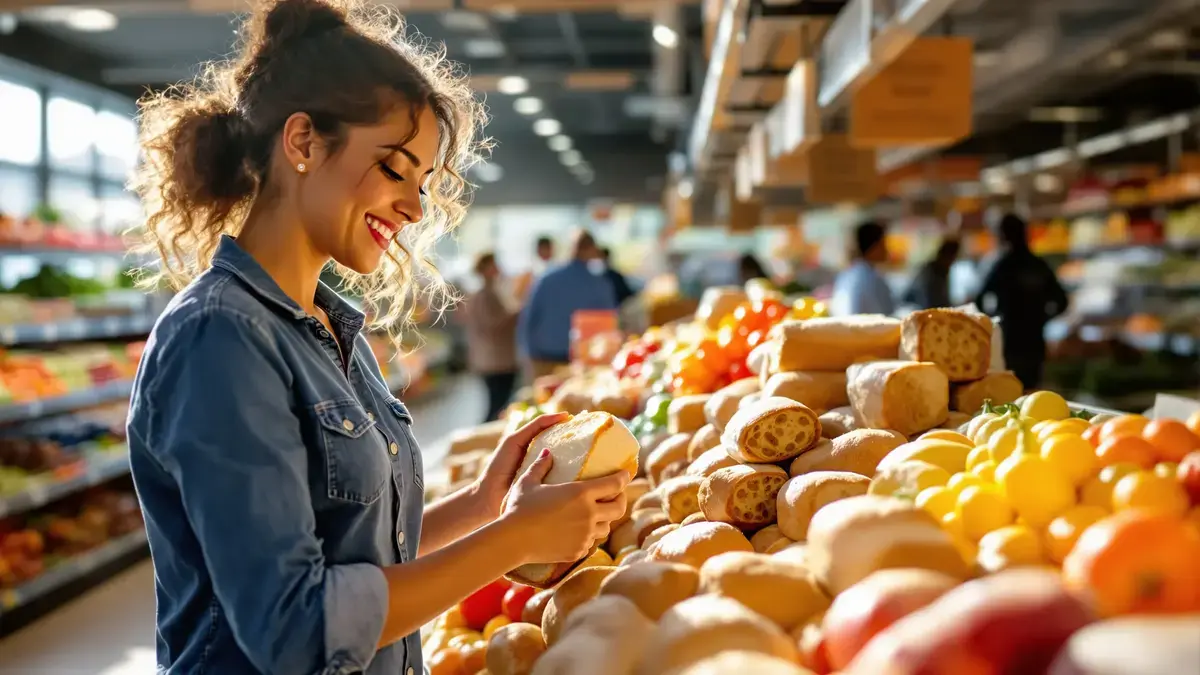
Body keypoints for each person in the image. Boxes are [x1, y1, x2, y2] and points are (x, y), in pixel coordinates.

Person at [124, 2, 629, 673]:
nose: (416, 208)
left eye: (422, 182)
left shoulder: (334, 330)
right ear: (302, 143)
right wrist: (514, 539)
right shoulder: (220, 338)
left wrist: (484, 504)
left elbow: (359, 548)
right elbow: (294, 627)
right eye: (395, 169)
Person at [975, 213, 1068, 390]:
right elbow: (1062, 302)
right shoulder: (1038, 264)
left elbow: (979, 301)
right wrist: (1043, 318)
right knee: (1032, 390)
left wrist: (994, 320)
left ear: (1001, 235)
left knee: (1009, 391)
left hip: (1009, 339)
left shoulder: (1000, 265)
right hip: (1035, 339)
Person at [518, 230, 617, 379]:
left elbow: (528, 319)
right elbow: (609, 324)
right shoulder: (599, 285)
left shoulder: (546, 279)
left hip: (545, 358)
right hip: (583, 363)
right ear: (592, 250)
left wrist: (528, 354)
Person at [463, 252, 519, 422]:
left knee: (499, 404)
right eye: (494, 265)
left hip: (497, 359)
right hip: (495, 361)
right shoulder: (484, 295)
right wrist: (516, 313)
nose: (498, 269)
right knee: (497, 406)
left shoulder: (492, 292)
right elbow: (492, 325)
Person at [831, 220, 896, 316]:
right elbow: (886, 316)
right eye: (883, 244)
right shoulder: (870, 278)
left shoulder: (848, 273)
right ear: (874, 247)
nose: (887, 249)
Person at [903, 238, 960, 309]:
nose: (953, 260)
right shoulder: (930, 271)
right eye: (953, 256)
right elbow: (924, 298)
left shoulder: (943, 271)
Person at [513, 235, 555, 302]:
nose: (548, 252)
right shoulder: (528, 271)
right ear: (538, 250)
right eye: (545, 249)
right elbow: (518, 294)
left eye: (549, 249)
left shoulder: (555, 268)